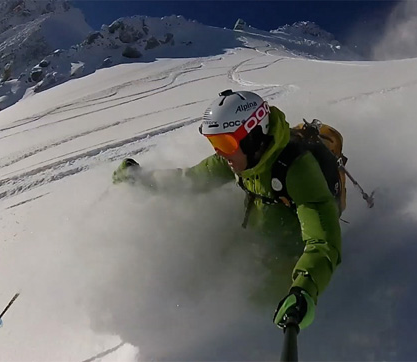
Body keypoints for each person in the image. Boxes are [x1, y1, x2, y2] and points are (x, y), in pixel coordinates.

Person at [112, 89, 342, 331]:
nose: (220, 153)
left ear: (253, 136)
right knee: (201, 266)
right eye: (214, 143)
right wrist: (142, 179)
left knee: (251, 307)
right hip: (258, 236)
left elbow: (323, 242)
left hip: (292, 256)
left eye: (225, 142)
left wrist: (303, 290)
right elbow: (190, 180)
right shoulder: (239, 159)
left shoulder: (298, 171)